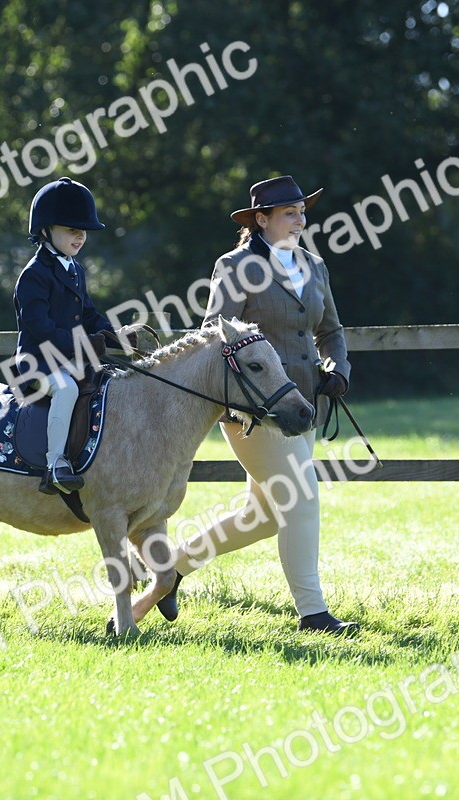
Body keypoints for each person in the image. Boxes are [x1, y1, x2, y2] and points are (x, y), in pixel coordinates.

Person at [157, 175, 360, 635]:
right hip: (253, 410)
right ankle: (313, 614)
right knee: (302, 499)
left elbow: (331, 330)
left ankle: (169, 570)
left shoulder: (313, 265)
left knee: (263, 517)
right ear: (261, 220)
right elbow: (216, 334)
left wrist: (338, 368)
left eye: (301, 211)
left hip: (303, 405)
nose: (299, 219)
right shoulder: (234, 266)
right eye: (289, 212)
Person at [13, 177, 121, 495]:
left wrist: (114, 335)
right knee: (67, 390)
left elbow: (88, 313)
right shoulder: (33, 276)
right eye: (72, 229)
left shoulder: (75, 268)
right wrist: (85, 345)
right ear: (46, 230)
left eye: (83, 230)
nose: (80, 236)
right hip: (37, 364)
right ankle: (55, 465)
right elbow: (42, 329)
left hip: (72, 359)